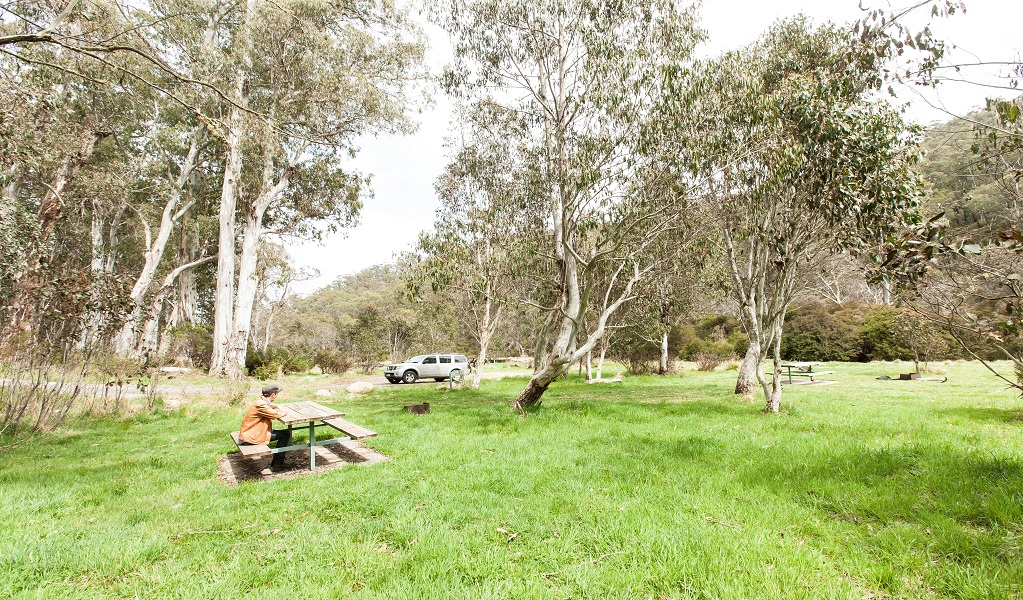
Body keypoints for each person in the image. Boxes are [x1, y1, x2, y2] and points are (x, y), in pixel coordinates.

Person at [238, 384, 292, 469]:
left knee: (284, 433)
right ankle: (278, 463)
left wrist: (275, 407)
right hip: (251, 437)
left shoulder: (261, 401)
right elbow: (275, 414)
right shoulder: (261, 404)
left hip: (251, 433)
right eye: (277, 393)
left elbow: (270, 407)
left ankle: (278, 461)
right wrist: (284, 412)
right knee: (285, 434)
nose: (277, 395)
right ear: (273, 394)